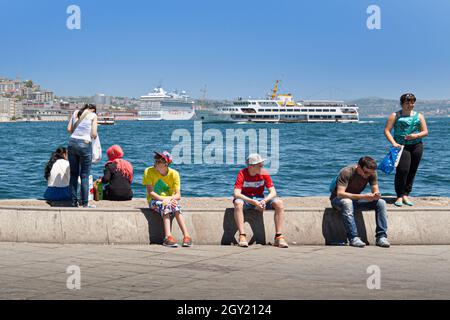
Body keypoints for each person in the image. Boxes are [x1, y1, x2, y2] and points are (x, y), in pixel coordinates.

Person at [330, 156, 390, 248]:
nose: (367, 175)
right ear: (358, 167)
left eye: (370, 173)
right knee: (347, 202)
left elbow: (375, 190)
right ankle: (353, 238)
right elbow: (340, 194)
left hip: (355, 200)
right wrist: (363, 196)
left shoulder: (372, 173)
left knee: (381, 203)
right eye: (365, 172)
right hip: (338, 200)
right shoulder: (346, 172)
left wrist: (376, 195)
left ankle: (381, 237)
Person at [233, 153, 288, 248]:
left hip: (260, 199)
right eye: (260, 164)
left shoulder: (264, 173)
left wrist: (264, 201)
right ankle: (242, 236)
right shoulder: (242, 173)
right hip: (247, 200)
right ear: (252, 166)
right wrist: (253, 202)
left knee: (279, 203)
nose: (262, 166)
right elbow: (236, 194)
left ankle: (278, 237)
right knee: (238, 203)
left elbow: (273, 192)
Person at [384, 93, 428, 207]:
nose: (410, 104)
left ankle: (406, 194)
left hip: (416, 146)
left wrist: (416, 136)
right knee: (402, 170)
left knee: (412, 171)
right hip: (401, 146)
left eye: (412, 102)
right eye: (407, 102)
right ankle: (399, 195)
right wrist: (394, 143)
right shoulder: (395, 115)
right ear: (402, 103)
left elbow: (425, 132)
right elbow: (387, 131)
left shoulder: (419, 116)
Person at [142, 151, 192, 248]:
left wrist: (168, 199)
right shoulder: (148, 171)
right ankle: (168, 237)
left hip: (169, 200)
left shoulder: (174, 174)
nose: (155, 163)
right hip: (154, 200)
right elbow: (150, 192)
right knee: (166, 206)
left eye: (158, 161)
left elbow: (178, 195)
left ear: (166, 164)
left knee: (176, 207)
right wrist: (164, 200)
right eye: (155, 160)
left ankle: (186, 236)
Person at [67, 103, 98, 208]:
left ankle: (73, 202)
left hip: (72, 143)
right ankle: (85, 204)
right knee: (84, 175)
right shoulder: (93, 115)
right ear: (93, 110)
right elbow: (94, 134)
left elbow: (69, 129)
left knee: (73, 174)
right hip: (85, 144)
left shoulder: (75, 112)